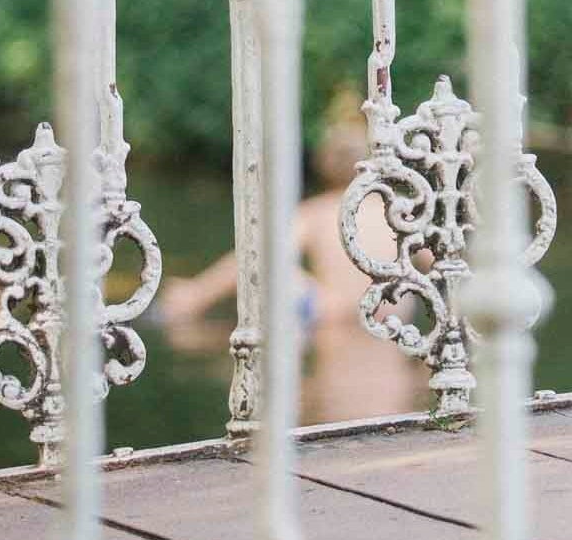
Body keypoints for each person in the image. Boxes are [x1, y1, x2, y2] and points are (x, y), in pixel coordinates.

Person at [157, 101, 425, 420]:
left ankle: (196, 305)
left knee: (280, 271)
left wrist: (195, 295)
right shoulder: (398, 213)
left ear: (323, 165)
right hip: (391, 320)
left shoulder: (318, 212)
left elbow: (254, 257)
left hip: (330, 315)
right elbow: (440, 259)